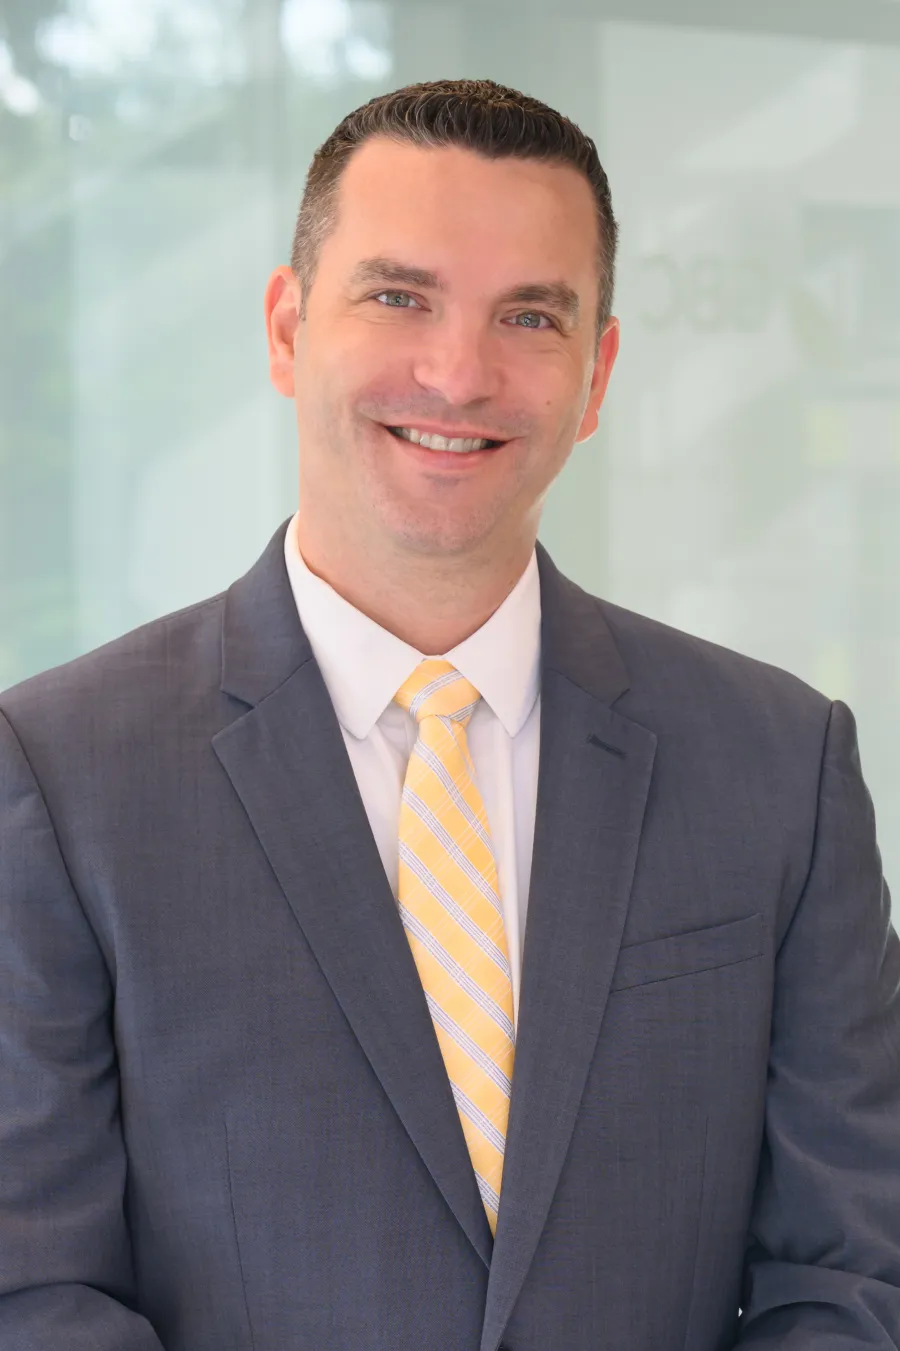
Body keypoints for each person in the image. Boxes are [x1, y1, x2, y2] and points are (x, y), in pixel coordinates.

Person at [0, 77, 897, 1351]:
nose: (458, 371)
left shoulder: (780, 765)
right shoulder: (59, 773)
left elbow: (856, 1277)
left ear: (596, 377)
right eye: (398, 295)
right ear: (287, 326)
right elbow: (31, 1293)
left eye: (530, 314)